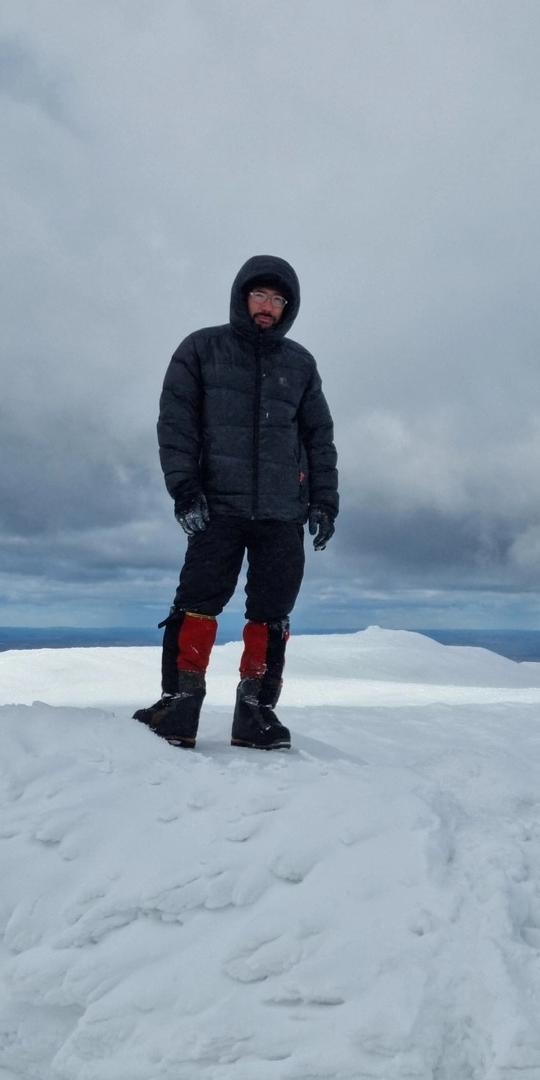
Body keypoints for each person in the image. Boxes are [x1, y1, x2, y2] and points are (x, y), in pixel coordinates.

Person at [134, 254, 338, 750]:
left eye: (277, 300)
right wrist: (184, 488)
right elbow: (175, 424)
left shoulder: (300, 364)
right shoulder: (202, 350)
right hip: (216, 506)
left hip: (281, 512)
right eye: (260, 296)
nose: (267, 307)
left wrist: (324, 502)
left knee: (272, 612)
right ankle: (180, 706)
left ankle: (255, 712)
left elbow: (318, 437)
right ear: (241, 296)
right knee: (198, 603)